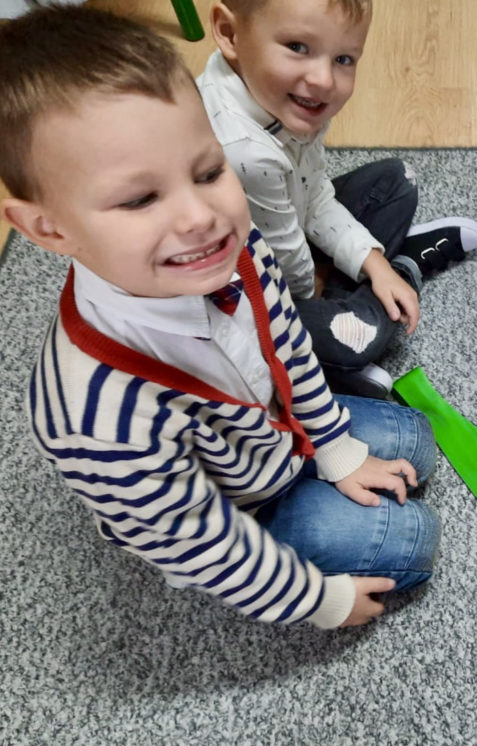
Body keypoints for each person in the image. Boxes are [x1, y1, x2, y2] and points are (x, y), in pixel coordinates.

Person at [0, 6, 441, 629]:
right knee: (415, 539)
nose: (200, 217)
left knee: (417, 441)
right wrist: (319, 601)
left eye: (209, 172)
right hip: (230, 510)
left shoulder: (230, 246)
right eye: (141, 198)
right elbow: (201, 548)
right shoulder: (95, 420)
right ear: (49, 229)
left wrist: (334, 449)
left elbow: (289, 345)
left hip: (268, 437)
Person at [197, 0, 477, 398]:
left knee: (397, 180)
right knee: (356, 336)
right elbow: (288, 270)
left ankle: (380, 276)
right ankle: (402, 272)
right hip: (241, 301)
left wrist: (374, 265)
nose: (324, 80)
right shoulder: (243, 151)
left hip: (280, 234)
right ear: (230, 33)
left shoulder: (282, 94)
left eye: (343, 59)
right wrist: (328, 287)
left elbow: (313, 193)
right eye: (297, 47)